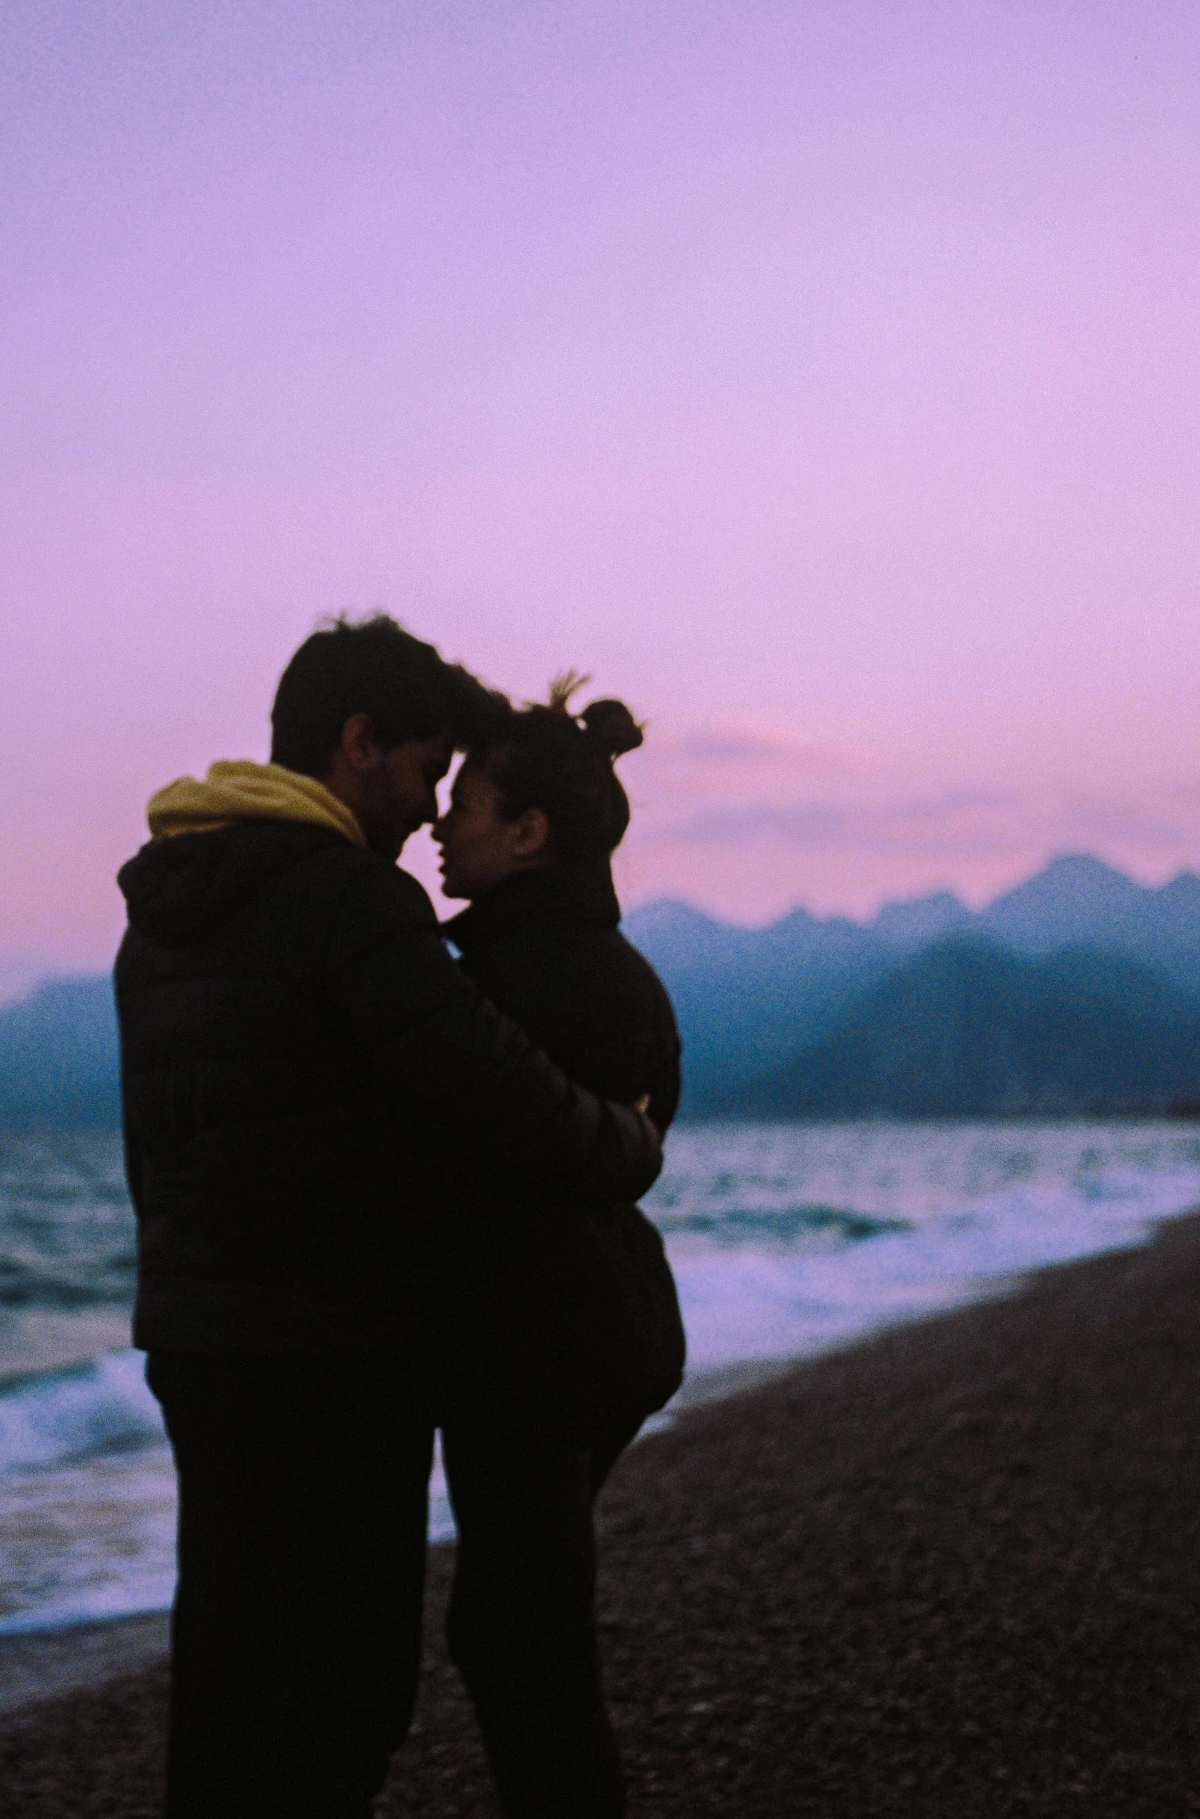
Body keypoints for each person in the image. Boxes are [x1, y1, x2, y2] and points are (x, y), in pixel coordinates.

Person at [113, 618, 665, 1819]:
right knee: (343, 1690)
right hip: (335, 1354)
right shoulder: (350, 901)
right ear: (358, 744)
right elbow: (496, 1093)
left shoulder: (155, 918)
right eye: (422, 770)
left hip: (194, 1342)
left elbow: (151, 1158)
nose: (425, 814)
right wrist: (628, 1138)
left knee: (222, 1665)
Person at [431, 675, 686, 1819]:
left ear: (528, 832)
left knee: (522, 1638)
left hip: (532, 1345)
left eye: (466, 804)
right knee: (513, 1624)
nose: (441, 823)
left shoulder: (495, 982)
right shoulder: (623, 973)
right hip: (618, 1326)